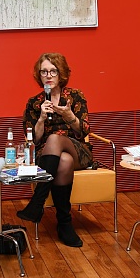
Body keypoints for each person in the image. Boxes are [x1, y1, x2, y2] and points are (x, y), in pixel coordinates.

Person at [17, 52, 93, 248]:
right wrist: (41, 118)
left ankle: (37, 202)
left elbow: (83, 130)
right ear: (39, 75)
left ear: (62, 74)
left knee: (57, 140)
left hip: (78, 150)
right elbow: (33, 139)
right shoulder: (34, 103)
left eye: (53, 71)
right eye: (44, 72)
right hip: (48, 156)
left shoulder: (75, 96)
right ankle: (64, 224)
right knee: (63, 161)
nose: (48, 75)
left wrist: (69, 116)